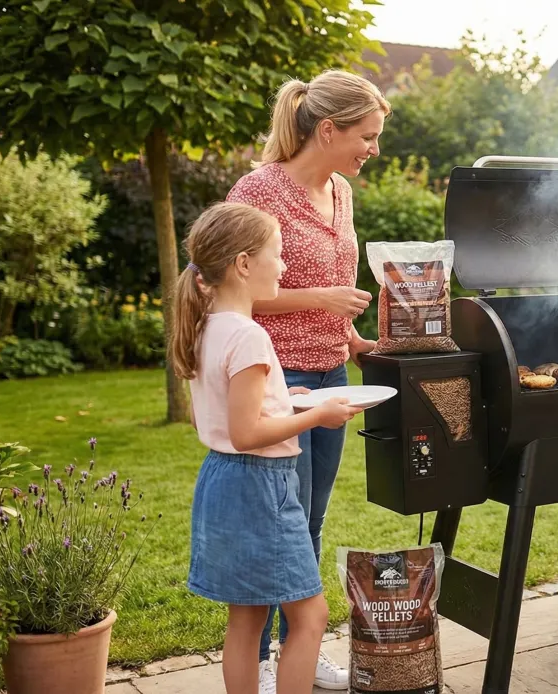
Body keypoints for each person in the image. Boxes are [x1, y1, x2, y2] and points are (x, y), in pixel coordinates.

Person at [226, 69, 390, 691]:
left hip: (331, 371)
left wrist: (353, 338)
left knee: (309, 520)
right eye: (366, 135)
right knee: (279, 522)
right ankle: (264, 660)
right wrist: (321, 297)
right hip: (277, 377)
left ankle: (300, 648)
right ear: (327, 130)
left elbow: (337, 287)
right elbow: (230, 290)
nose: (374, 148)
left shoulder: (341, 191)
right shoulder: (259, 191)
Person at [170, 202, 364, 694]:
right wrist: (318, 415)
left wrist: (284, 398)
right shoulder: (249, 336)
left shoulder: (207, 326)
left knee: (247, 617)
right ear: (243, 264)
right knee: (311, 615)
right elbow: (246, 434)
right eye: (277, 255)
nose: (284, 266)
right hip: (260, 485)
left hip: (223, 479)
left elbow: (218, 415)